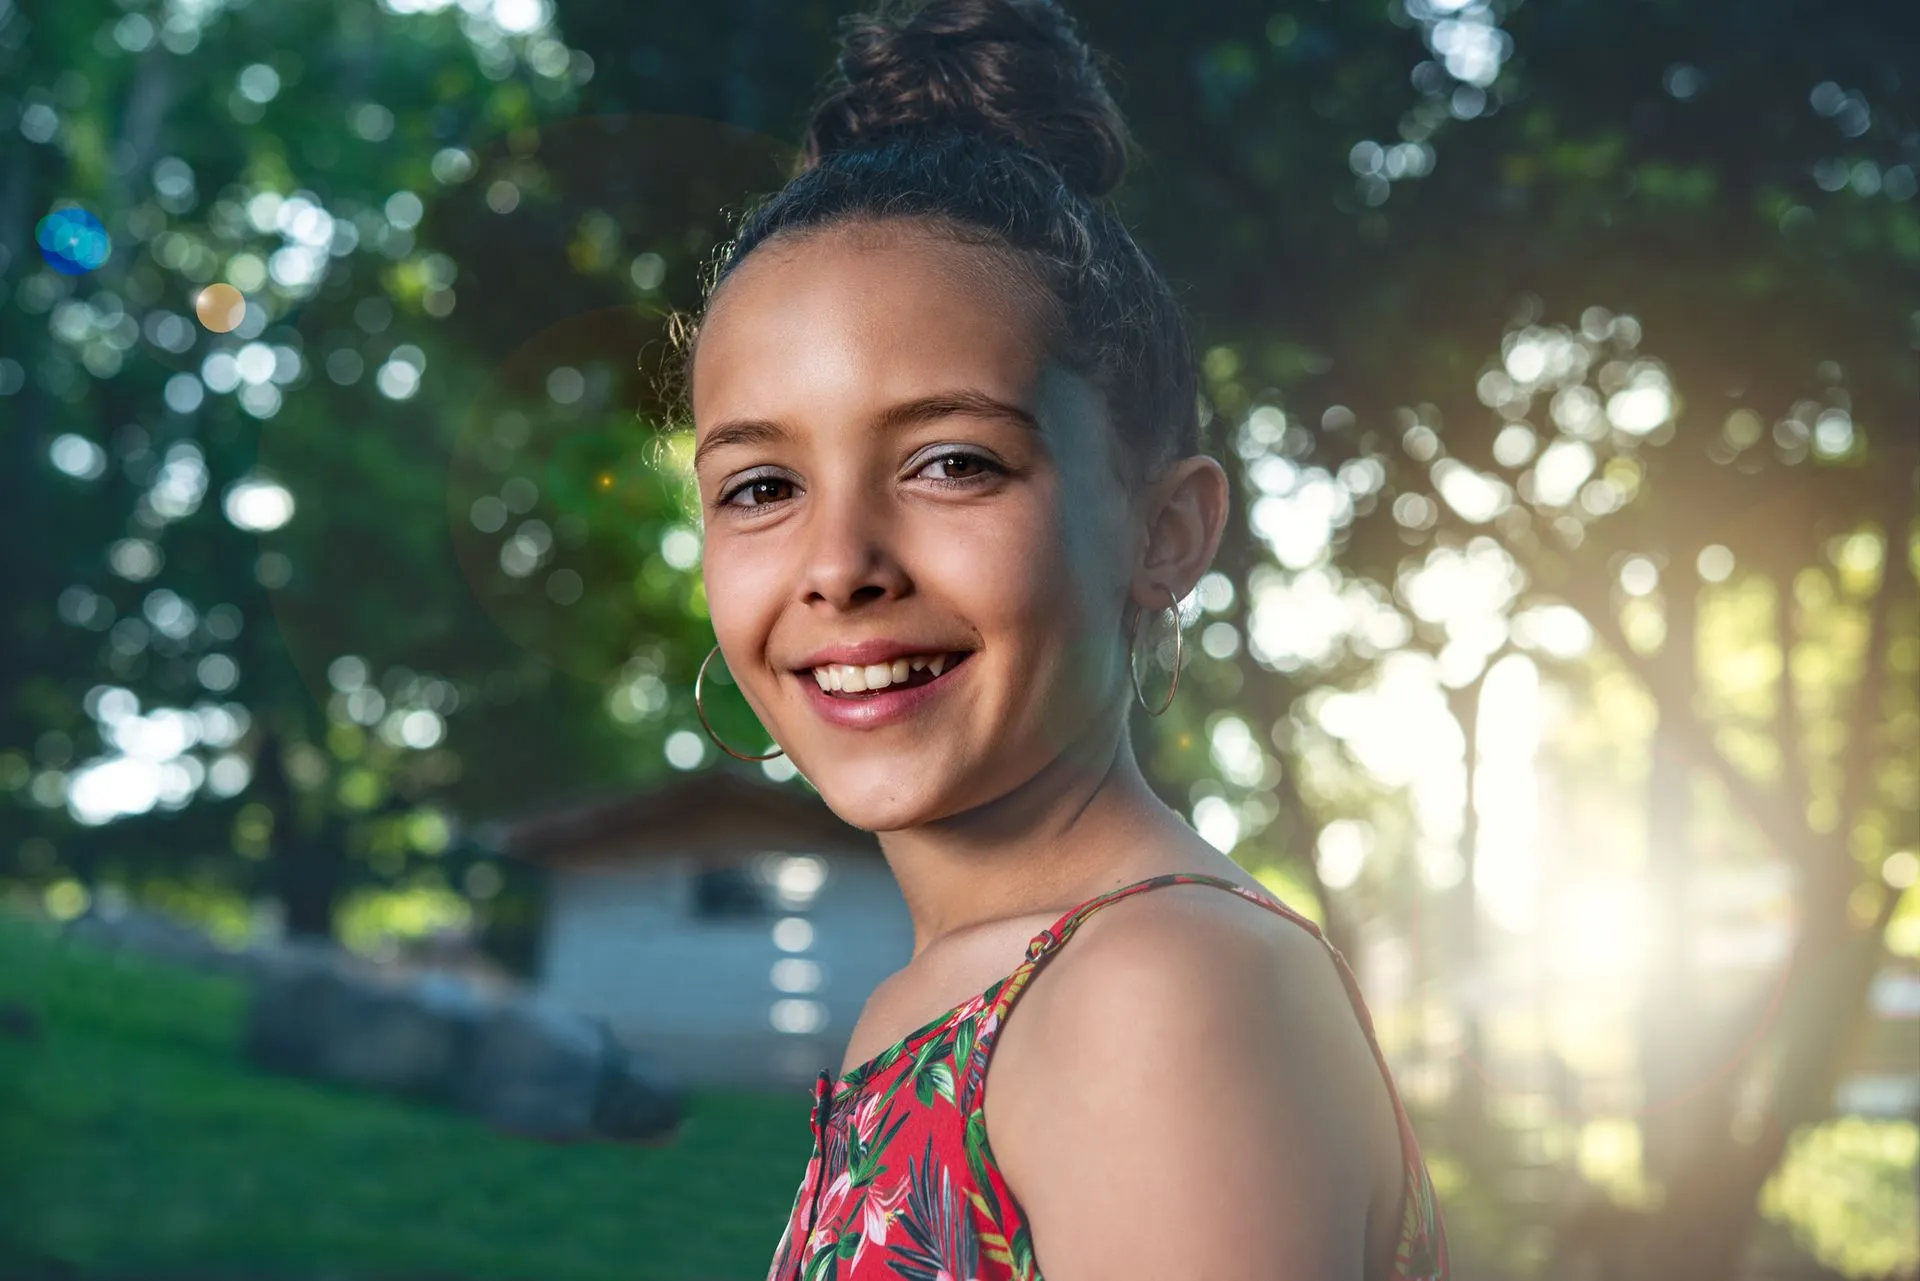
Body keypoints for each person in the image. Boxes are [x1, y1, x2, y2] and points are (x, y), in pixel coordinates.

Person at [681, 1, 1450, 1276]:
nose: (838, 569)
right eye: (762, 487)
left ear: (1166, 530)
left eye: (951, 462)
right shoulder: (943, 997)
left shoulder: (1162, 988)